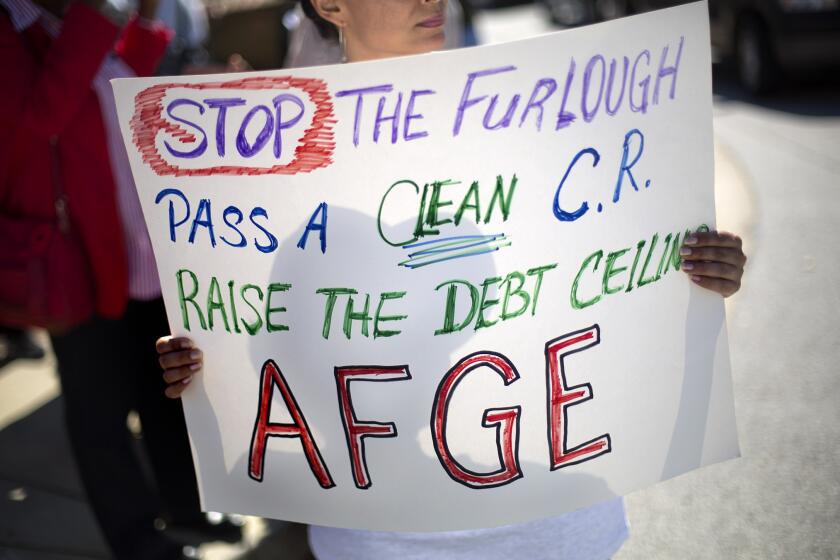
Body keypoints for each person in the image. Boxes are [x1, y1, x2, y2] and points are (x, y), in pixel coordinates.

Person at [156, 1, 749, 559]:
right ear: (330, 3)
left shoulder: (548, 115)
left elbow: (609, 280)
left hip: (556, 523)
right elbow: (263, 341)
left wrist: (696, 274)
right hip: (378, 534)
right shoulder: (269, 168)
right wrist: (206, 370)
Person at [0, 0, 242, 556]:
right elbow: (40, 116)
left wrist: (141, 16)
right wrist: (102, 15)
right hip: (72, 258)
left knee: (167, 385)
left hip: (136, 244)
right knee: (99, 408)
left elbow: (109, 84)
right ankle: (134, 536)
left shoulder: (68, 18)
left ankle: (189, 505)